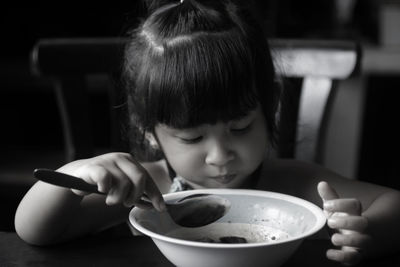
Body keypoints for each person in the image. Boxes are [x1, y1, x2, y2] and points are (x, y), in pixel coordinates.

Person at [15, 0, 400, 265]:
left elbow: (394, 203)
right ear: (147, 131)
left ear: (272, 108)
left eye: (240, 127)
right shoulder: (145, 189)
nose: (220, 156)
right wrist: (76, 176)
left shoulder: (294, 184)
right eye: (192, 138)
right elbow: (35, 231)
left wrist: (368, 230)